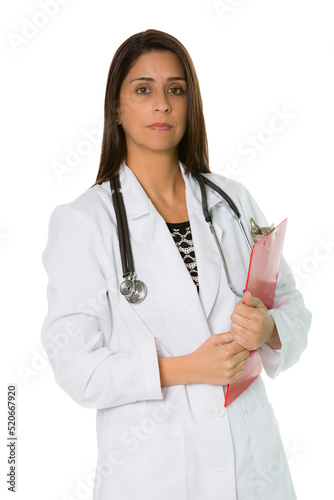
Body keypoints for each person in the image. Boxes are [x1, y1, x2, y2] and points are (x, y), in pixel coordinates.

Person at [40, 29, 311, 500]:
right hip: (154, 475)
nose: (162, 104)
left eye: (175, 89)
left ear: (190, 104)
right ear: (117, 109)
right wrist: (185, 368)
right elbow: (75, 368)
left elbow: (293, 307)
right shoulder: (85, 222)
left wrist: (268, 327)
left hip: (253, 468)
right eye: (143, 89)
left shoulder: (232, 199)